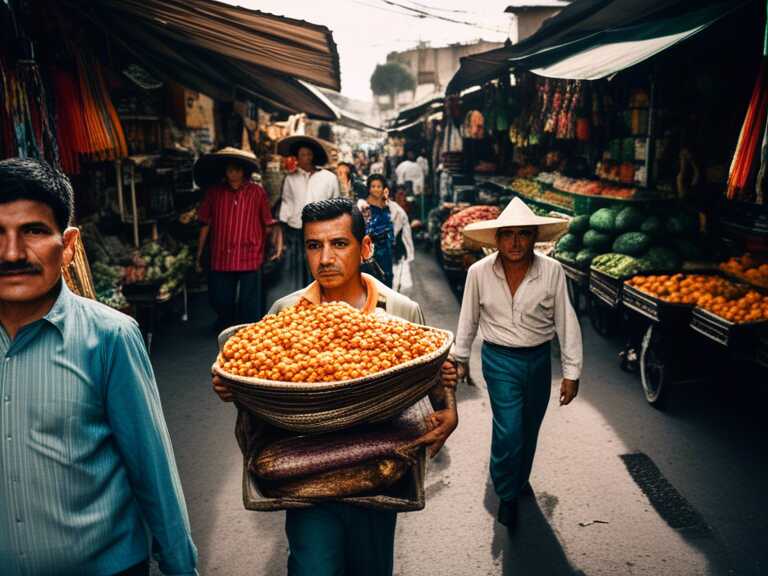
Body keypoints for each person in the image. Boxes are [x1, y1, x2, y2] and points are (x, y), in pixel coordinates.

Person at [212, 198, 458, 576]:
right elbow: (260, 387)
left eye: (339, 244)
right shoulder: (284, 312)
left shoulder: (401, 312)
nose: (325, 257)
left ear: (366, 247)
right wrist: (234, 387)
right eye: (314, 245)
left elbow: (431, 379)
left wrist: (449, 409)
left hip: (380, 475)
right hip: (307, 478)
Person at [0, 158, 197, 575]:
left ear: (68, 245)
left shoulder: (110, 338)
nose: (12, 253)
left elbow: (152, 468)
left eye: (33, 231)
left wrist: (182, 566)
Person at [453, 197, 582, 532]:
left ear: (534, 237)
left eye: (523, 234)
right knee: (509, 429)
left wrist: (572, 373)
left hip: (538, 360)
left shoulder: (552, 271)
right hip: (499, 360)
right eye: (507, 234)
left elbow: (567, 322)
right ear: (497, 239)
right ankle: (507, 493)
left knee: (529, 427)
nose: (515, 242)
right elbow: (468, 318)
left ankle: (518, 475)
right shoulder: (478, 273)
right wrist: (461, 358)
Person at [195, 147, 282, 329]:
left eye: (237, 170)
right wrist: (200, 252)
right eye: (229, 170)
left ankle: (249, 330)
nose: (233, 174)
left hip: (250, 252)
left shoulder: (256, 192)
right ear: (224, 172)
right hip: (222, 253)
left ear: (244, 172)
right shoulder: (214, 193)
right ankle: (225, 323)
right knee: (221, 297)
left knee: (249, 300)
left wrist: (273, 246)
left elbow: (267, 222)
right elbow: (205, 223)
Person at [278, 135, 340, 291]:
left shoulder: (328, 178)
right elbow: (287, 202)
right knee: (297, 268)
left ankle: (321, 298)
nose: (305, 158)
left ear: (314, 156)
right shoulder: (290, 179)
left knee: (320, 265)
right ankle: (302, 301)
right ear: (297, 157)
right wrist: (282, 227)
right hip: (296, 230)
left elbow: (336, 203)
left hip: (322, 230)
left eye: (308, 154)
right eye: (301, 155)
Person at [357, 175, 396, 287]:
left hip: (386, 249)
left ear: (384, 188)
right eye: (373, 186)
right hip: (371, 248)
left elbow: (393, 225)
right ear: (369, 188)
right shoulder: (364, 206)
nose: (376, 189)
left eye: (379, 186)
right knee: (372, 280)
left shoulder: (388, 205)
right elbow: (365, 227)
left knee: (387, 278)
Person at [462, 110, 497, 176]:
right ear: (469, 127)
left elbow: (494, 166)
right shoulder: (467, 142)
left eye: (480, 126)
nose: (478, 129)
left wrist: (489, 166)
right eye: (475, 124)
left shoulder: (488, 140)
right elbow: (469, 166)